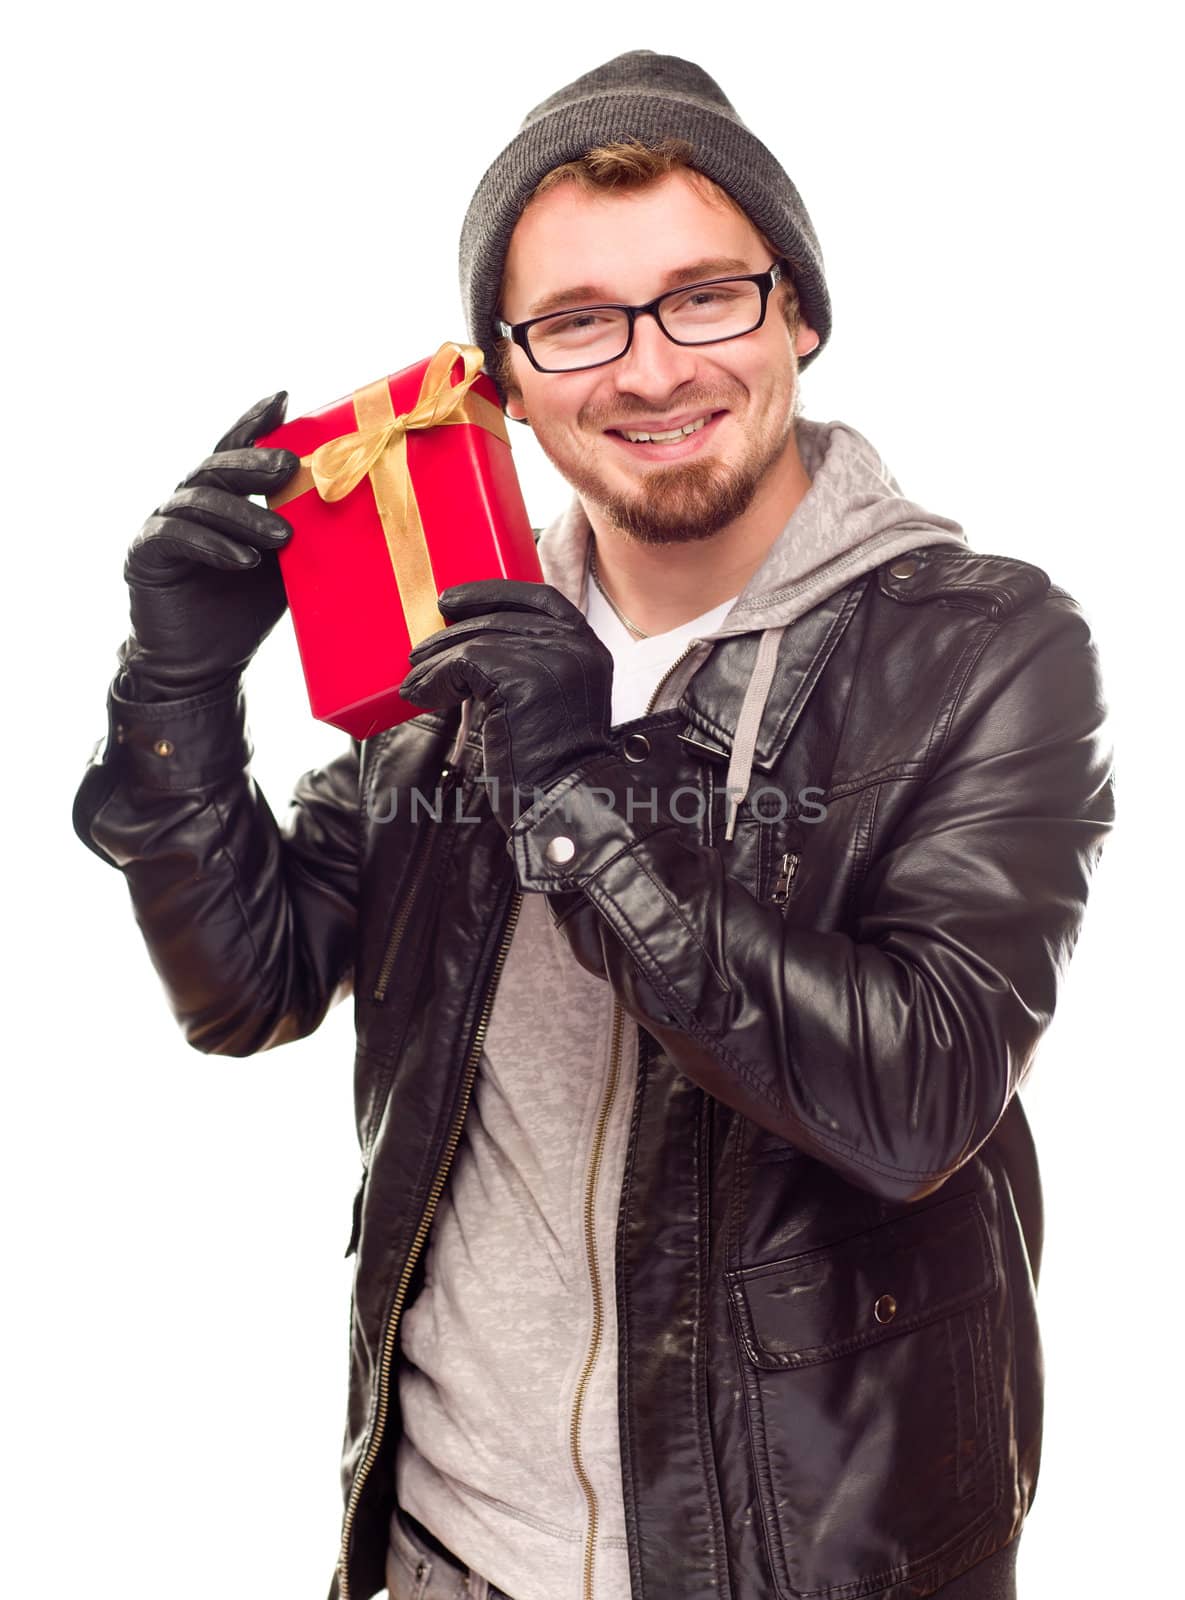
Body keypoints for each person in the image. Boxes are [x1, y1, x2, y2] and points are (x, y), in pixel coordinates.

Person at [73, 49, 1115, 1600]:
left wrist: (582, 793)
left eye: (706, 296)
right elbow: (249, 988)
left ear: (797, 314)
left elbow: (916, 1097)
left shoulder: (982, 647)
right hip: (438, 1546)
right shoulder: (454, 646)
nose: (647, 369)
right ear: (501, 373)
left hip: (802, 1561)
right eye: (577, 321)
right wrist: (174, 687)